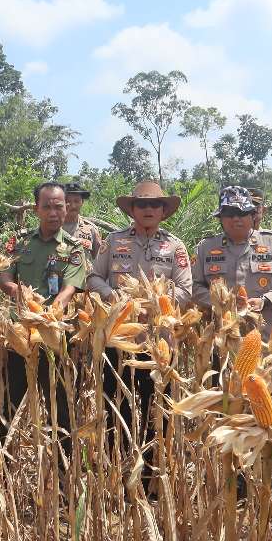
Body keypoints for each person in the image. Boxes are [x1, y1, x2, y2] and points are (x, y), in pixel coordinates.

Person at [86, 179, 192, 479]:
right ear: (132, 210)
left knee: (156, 408)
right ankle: (116, 470)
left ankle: (152, 474)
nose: (148, 209)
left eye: (155, 205)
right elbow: (93, 278)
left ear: (163, 211)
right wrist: (115, 298)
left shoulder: (175, 246)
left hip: (159, 343)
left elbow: (186, 289)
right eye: (142, 204)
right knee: (115, 404)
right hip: (118, 339)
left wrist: (156, 303)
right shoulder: (113, 241)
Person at [0, 181, 86, 418]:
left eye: (59, 206)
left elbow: (70, 289)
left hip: (54, 334)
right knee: (10, 401)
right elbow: (4, 278)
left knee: (60, 405)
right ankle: (6, 443)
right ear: (36, 209)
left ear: (67, 208)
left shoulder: (74, 248)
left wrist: (50, 313)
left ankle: (62, 444)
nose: (53, 213)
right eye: (47, 207)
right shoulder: (20, 242)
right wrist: (19, 293)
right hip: (20, 332)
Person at [192, 186, 272, 328]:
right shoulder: (205, 247)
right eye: (230, 213)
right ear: (220, 218)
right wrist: (218, 302)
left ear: (252, 215)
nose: (236, 218)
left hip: (265, 329)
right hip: (221, 331)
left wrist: (265, 300)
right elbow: (194, 286)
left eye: (242, 213)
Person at [63, 179, 103, 261]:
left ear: (82, 202)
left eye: (76, 201)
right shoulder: (51, 228)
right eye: (68, 201)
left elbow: (100, 260)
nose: (73, 205)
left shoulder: (91, 229)